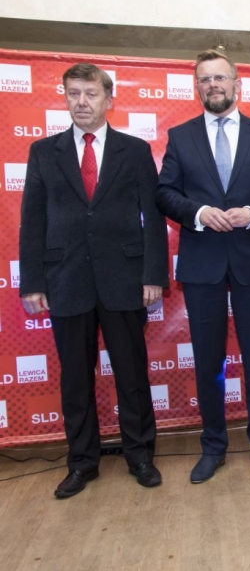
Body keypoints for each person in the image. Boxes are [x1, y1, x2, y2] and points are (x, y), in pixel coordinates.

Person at [19, 63, 168, 498]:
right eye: (73, 93)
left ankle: (140, 455)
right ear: (64, 97)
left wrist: (153, 275)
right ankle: (82, 462)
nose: (81, 102)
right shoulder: (43, 152)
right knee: (75, 379)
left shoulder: (134, 150)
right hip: (66, 280)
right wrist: (32, 282)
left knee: (132, 374)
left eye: (90, 93)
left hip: (125, 279)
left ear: (109, 99)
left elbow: (153, 217)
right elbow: (32, 221)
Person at [156, 50, 250, 482]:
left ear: (236, 84)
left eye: (220, 78)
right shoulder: (180, 137)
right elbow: (165, 193)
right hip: (202, 262)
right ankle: (213, 446)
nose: (213, 85)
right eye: (205, 80)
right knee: (208, 361)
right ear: (197, 87)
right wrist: (198, 213)